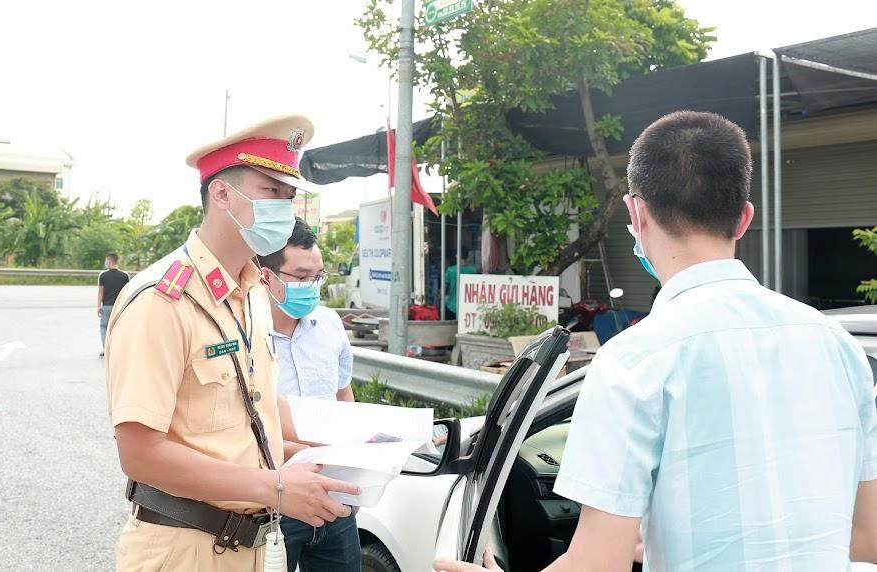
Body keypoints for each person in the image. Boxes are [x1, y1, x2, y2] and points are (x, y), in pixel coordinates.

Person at [435, 111, 877, 571]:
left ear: (636, 213)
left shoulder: (635, 359)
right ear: (744, 218)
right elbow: (868, 537)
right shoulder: (837, 345)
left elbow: (598, 564)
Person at [104, 115, 359, 572]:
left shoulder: (253, 293)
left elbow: (256, 410)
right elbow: (140, 453)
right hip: (184, 549)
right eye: (270, 192)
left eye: (289, 196)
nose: (285, 207)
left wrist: (343, 454)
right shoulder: (162, 300)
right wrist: (276, 487)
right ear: (221, 194)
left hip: (253, 547)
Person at [257, 217, 360, 571]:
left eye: (317, 277)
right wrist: (307, 454)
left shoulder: (329, 324)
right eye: (301, 278)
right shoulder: (244, 336)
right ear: (266, 276)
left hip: (335, 498)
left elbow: (343, 394)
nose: (311, 287)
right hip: (274, 503)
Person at [97, 252, 129, 357]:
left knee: (104, 327)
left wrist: (98, 306)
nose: (105, 263)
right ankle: (118, 348)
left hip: (106, 306)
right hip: (120, 307)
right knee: (118, 327)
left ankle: (106, 349)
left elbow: (100, 292)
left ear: (110, 261)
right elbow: (127, 292)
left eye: (106, 260)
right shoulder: (125, 276)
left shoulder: (103, 275)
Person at [444, 246, 478, 320]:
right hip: (468, 308)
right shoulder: (473, 270)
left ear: (456, 255)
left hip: (452, 307)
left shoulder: (450, 270)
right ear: (467, 255)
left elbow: (444, 289)